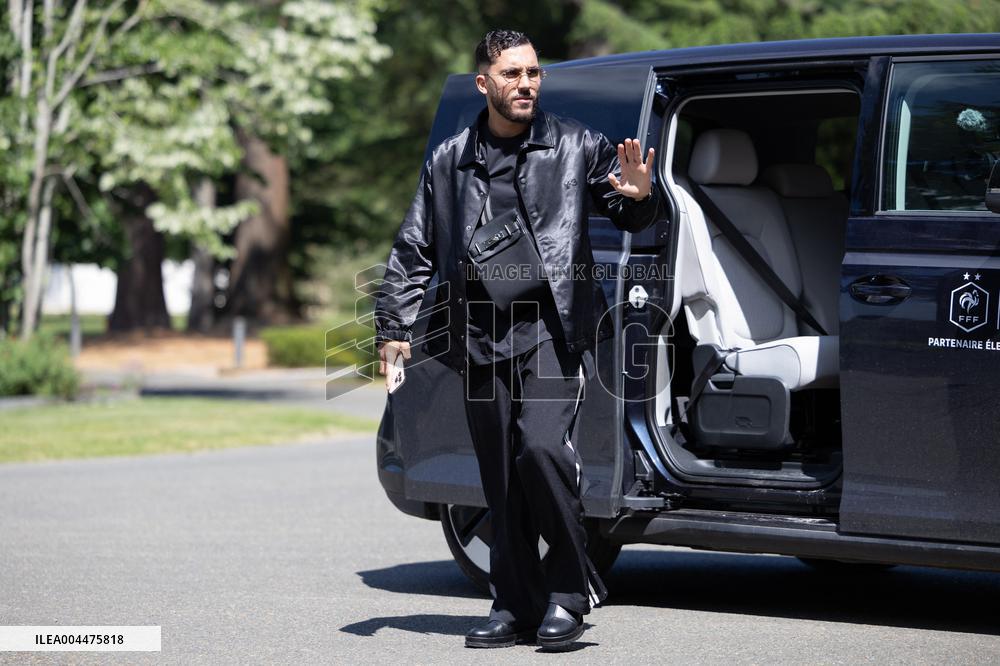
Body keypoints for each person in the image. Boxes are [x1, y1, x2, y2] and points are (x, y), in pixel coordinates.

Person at [373, 29, 659, 650]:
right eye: (512, 74)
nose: (526, 83)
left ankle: (568, 591)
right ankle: (516, 603)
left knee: (541, 450)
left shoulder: (577, 144)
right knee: (500, 476)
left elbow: (629, 206)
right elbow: (415, 246)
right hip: (478, 332)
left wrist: (641, 196)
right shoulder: (450, 159)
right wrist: (393, 327)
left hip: (551, 330)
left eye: (533, 73)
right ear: (485, 83)